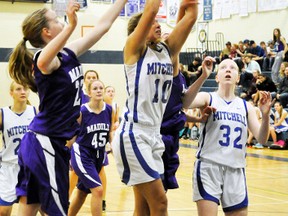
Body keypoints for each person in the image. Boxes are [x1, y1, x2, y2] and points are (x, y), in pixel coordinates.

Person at [8, 0, 127, 215]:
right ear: (47, 32)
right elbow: (44, 62)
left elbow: (102, 27)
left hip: (48, 144)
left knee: (31, 207)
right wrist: (72, 25)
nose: (61, 20)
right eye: (56, 19)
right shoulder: (43, 58)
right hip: (44, 144)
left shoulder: (67, 53)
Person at [112, 0, 200, 215]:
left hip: (154, 135)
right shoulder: (133, 49)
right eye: (153, 23)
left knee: (143, 208)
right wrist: (150, 13)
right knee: (160, 204)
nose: (159, 24)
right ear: (140, 29)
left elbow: (191, 15)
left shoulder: (167, 52)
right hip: (134, 133)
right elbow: (151, 8)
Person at [188, 59, 273, 215]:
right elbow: (185, 103)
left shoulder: (246, 106)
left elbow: (261, 139)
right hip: (209, 167)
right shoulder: (207, 97)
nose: (228, 70)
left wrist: (265, 115)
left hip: (236, 169)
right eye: (223, 68)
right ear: (217, 77)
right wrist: (203, 76)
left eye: (233, 68)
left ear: (238, 77)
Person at [68, 79, 114, 216]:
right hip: (82, 153)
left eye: (101, 88)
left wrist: (114, 147)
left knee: (82, 193)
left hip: (98, 155)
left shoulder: (109, 109)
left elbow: (110, 131)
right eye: (95, 88)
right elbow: (72, 135)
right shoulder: (82, 111)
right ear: (89, 93)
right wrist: (64, 153)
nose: (99, 90)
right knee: (98, 190)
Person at [0, 82, 37, 216]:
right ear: (11, 93)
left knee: (29, 209)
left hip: (29, 168)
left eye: (25, 88)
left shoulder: (34, 112)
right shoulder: (3, 113)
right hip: (8, 167)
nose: (23, 91)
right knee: (3, 211)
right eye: (18, 89)